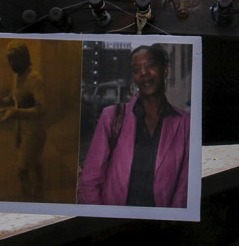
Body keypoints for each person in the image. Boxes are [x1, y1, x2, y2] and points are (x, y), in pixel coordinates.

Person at [78, 44, 190, 207]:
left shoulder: (185, 122)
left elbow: (183, 186)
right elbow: (90, 180)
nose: (143, 72)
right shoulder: (112, 117)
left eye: (150, 65)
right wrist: (102, 222)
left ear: (165, 70)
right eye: (136, 69)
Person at [0, 40, 46, 200]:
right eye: (9, 60)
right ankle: (40, 186)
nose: (11, 64)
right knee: (34, 160)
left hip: (35, 131)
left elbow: (42, 109)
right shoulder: (17, 76)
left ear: (24, 58)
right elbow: (14, 98)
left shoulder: (34, 79)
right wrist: (1, 100)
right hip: (21, 128)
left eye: (14, 59)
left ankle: (27, 196)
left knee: (22, 169)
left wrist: (16, 113)